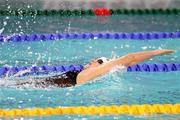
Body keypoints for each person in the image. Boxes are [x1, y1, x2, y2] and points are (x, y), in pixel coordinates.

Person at [16, 49, 174, 88]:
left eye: (98, 60)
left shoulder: (95, 72)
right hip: (44, 84)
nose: (93, 60)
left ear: (103, 65)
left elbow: (130, 59)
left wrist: (158, 52)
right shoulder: (85, 73)